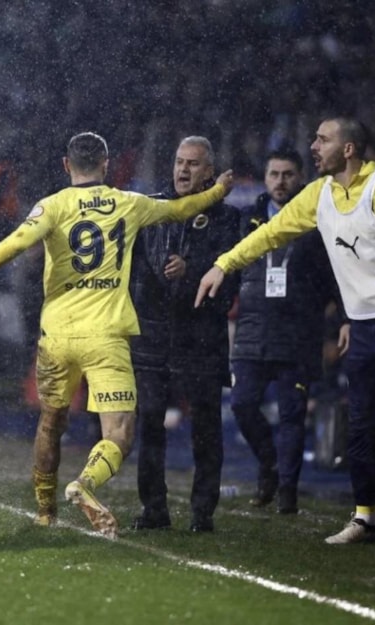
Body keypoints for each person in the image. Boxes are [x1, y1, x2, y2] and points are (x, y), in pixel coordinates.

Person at [196, 117, 375, 546]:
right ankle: (366, 518)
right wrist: (223, 264)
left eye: (322, 139)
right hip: (363, 325)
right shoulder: (319, 194)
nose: (313, 146)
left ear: (348, 149)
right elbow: (270, 234)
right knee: (359, 423)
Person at [0, 132, 233, 537]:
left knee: (51, 423)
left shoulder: (52, 205)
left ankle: (45, 510)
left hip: (58, 335)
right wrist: (218, 191)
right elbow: (182, 208)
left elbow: (16, 242)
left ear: (66, 165)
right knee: (119, 432)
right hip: (106, 336)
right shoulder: (129, 202)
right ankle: (86, 482)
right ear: (106, 165)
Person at [130, 136, 240, 533]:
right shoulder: (153, 209)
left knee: (206, 426)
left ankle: (202, 512)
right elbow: (136, 273)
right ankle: (154, 509)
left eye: (193, 164)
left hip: (201, 337)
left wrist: (190, 272)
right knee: (150, 421)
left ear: (210, 172)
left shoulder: (226, 219)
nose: (183, 169)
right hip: (154, 335)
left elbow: (229, 280)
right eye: (179, 161)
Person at [229, 148, 347, 514]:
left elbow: (337, 275)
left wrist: (344, 318)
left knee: (292, 415)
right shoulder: (247, 220)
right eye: (274, 174)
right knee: (242, 404)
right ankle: (270, 464)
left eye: (288, 174)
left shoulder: (318, 222)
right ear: (265, 178)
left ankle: (287, 493)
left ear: (301, 178)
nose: (280, 181)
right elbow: (230, 269)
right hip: (252, 329)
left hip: (298, 331)